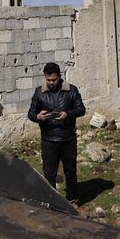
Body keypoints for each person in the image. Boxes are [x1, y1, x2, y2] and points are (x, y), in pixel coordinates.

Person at [27, 62, 86, 200]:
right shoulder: (39, 92)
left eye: (54, 79)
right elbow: (31, 113)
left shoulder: (71, 90)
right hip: (48, 140)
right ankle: (52, 201)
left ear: (59, 76)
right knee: (49, 174)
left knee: (70, 172)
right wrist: (38, 117)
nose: (51, 83)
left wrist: (68, 114)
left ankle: (72, 200)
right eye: (48, 80)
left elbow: (81, 109)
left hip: (68, 139)